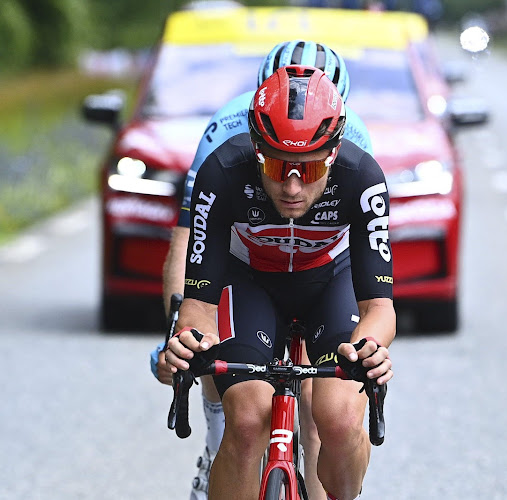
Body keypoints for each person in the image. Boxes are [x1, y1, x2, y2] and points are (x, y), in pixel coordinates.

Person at [151, 40, 374, 500]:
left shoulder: (357, 144)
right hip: (244, 261)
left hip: (320, 271)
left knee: (322, 409)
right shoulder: (226, 134)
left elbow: (365, 257)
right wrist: (179, 328)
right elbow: (188, 237)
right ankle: (219, 445)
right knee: (238, 403)